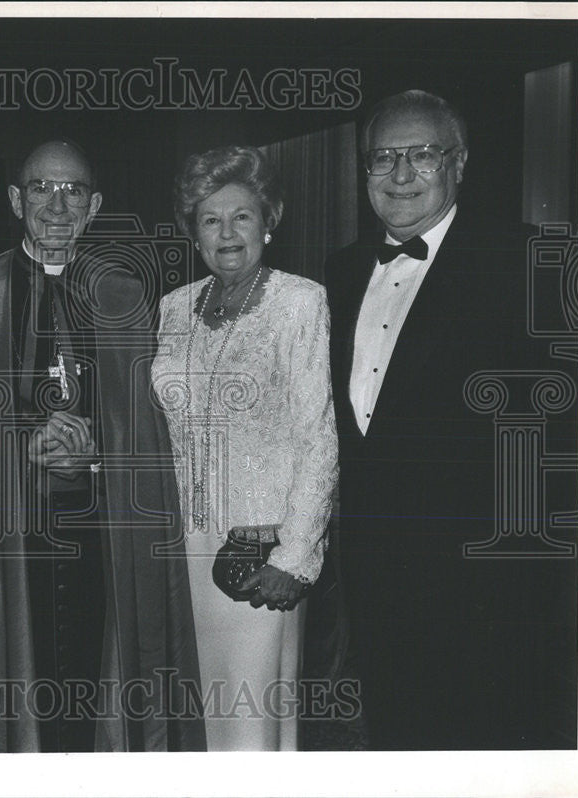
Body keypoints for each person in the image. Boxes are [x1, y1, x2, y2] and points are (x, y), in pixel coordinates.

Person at [0, 139, 205, 753]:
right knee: (17, 683)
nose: (57, 204)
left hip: (102, 529)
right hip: (6, 539)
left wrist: (97, 452)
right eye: (42, 189)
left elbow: (151, 433)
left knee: (95, 687)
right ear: (16, 200)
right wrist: (20, 448)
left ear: (94, 204)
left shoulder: (125, 297)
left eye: (73, 190)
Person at [324, 90, 577, 749]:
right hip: (376, 581)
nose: (401, 174)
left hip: (485, 593)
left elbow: (558, 438)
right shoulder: (341, 272)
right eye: (384, 157)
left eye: (423, 154)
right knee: (397, 748)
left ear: (459, 163)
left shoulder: (525, 261)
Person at [151, 145, 338, 750]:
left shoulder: (299, 302)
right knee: (196, 709)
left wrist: (295, 555)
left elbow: (319, 436)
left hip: (257, 545)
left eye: (242, 216)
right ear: (194, 231)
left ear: (269, 221)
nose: (227, 232)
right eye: (210, 219)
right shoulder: (173, 308)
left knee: (253, 716)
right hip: (181, 541)